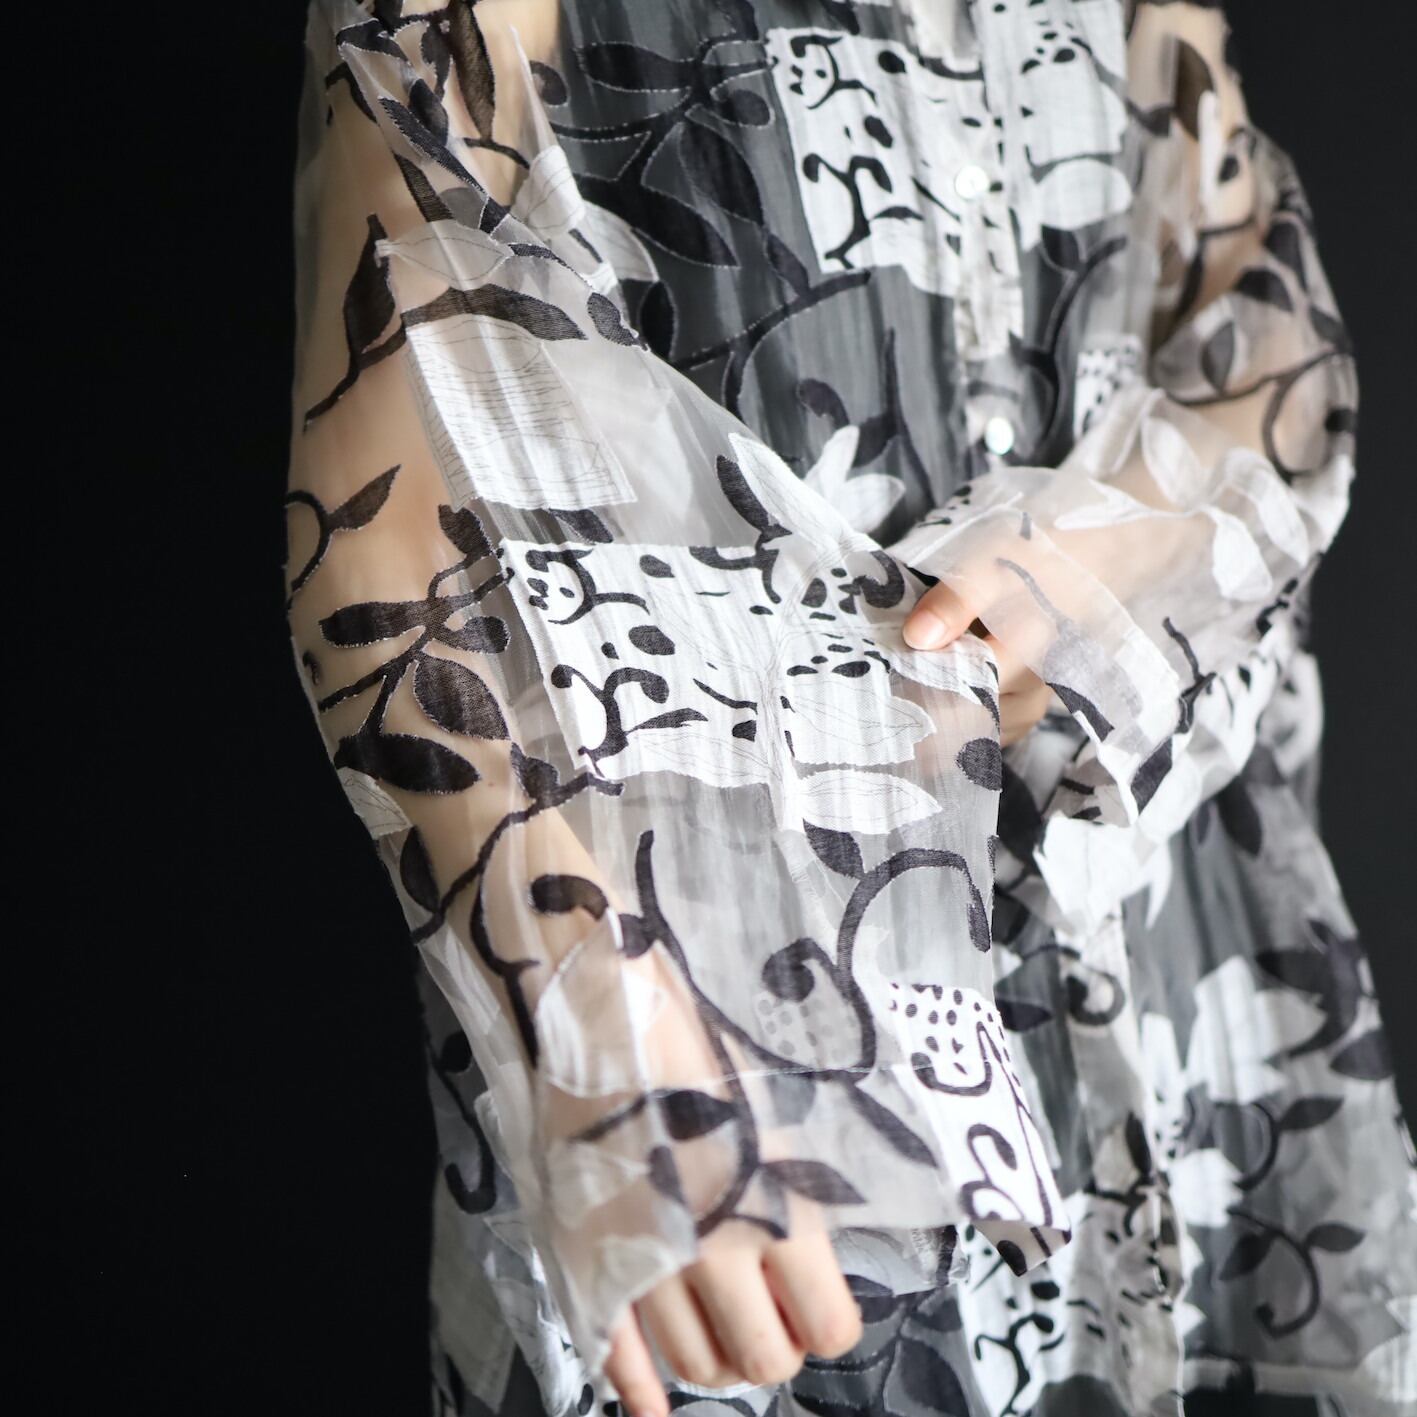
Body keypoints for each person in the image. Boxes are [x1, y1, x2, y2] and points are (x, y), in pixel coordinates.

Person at [283, 2, 1417, 1414]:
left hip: (1163, 969)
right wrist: (591, 1013)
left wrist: (1106, 549)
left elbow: (1261, 334)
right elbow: (384, 524)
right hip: (726, 1013)